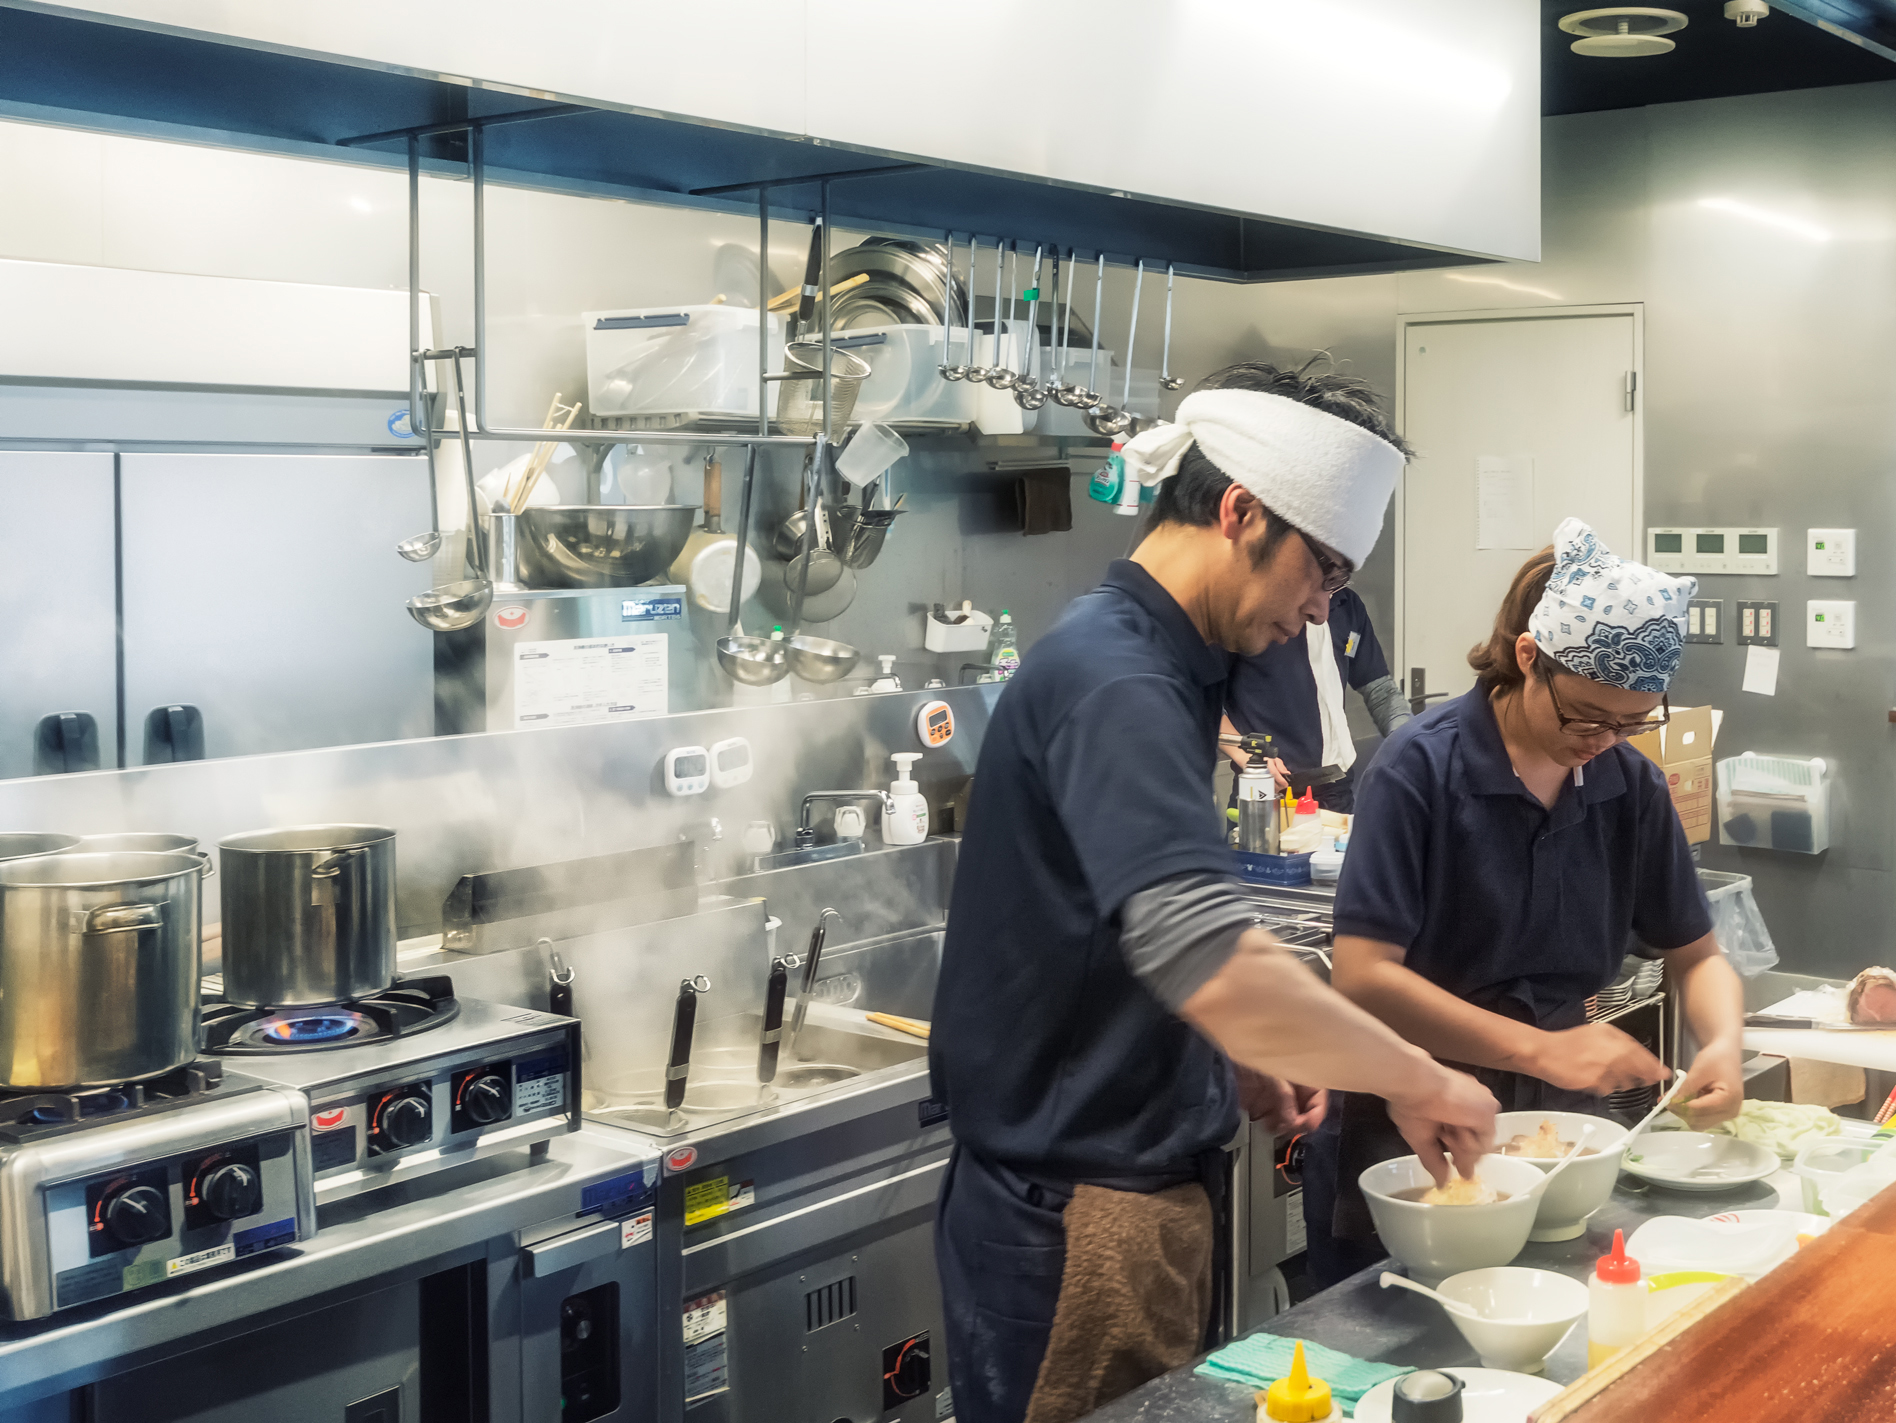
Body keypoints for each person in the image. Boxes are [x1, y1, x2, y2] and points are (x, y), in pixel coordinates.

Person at [929, 361, 1499, 1423]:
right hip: (1075, 1218)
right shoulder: (1119, 678)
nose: (1321, 612)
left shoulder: (1169, 664)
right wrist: (1423, 1078)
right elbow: (1200, 943)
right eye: (1321, 573)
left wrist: (1220, 1052)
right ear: (1241, 511)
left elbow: (1121, 929)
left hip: (1123, 1194)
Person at [1303, 519, 1746, 1287]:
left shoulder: (1627, 786)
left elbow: (1697, 952)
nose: (1605, 740)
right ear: (1527, 658)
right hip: (1417, 1121)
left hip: (1560, 1132)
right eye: (1587, 716)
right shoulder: (1422, 770)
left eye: (1632, 722)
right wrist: (1540, 1046)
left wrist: (1724, 1043)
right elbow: (1365, 978)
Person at [1219, 585, 1410, 812]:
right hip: (1266, 789)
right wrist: (1248, 758)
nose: (1322, 610)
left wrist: (1410, 745)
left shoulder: (1347, 604)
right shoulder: (1250, 609)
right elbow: (1203, 705)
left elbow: (1381, 691)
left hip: (1337, 791)